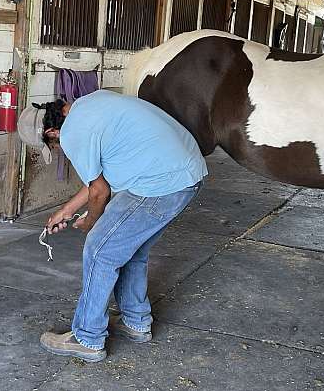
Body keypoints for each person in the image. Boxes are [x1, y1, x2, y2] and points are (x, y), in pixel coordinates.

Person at [18, 89, 208, 362]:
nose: (57, 148)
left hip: (161, 183)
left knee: (100, 250)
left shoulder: (72, 135)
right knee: (130, 248)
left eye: (52, 145)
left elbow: (100, 192)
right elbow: (99, 178)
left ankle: (87, 337)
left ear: (51, 133)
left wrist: (91, 222)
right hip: (186, 171)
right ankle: (135, 322)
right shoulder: (88, 104)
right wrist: (67, 210)